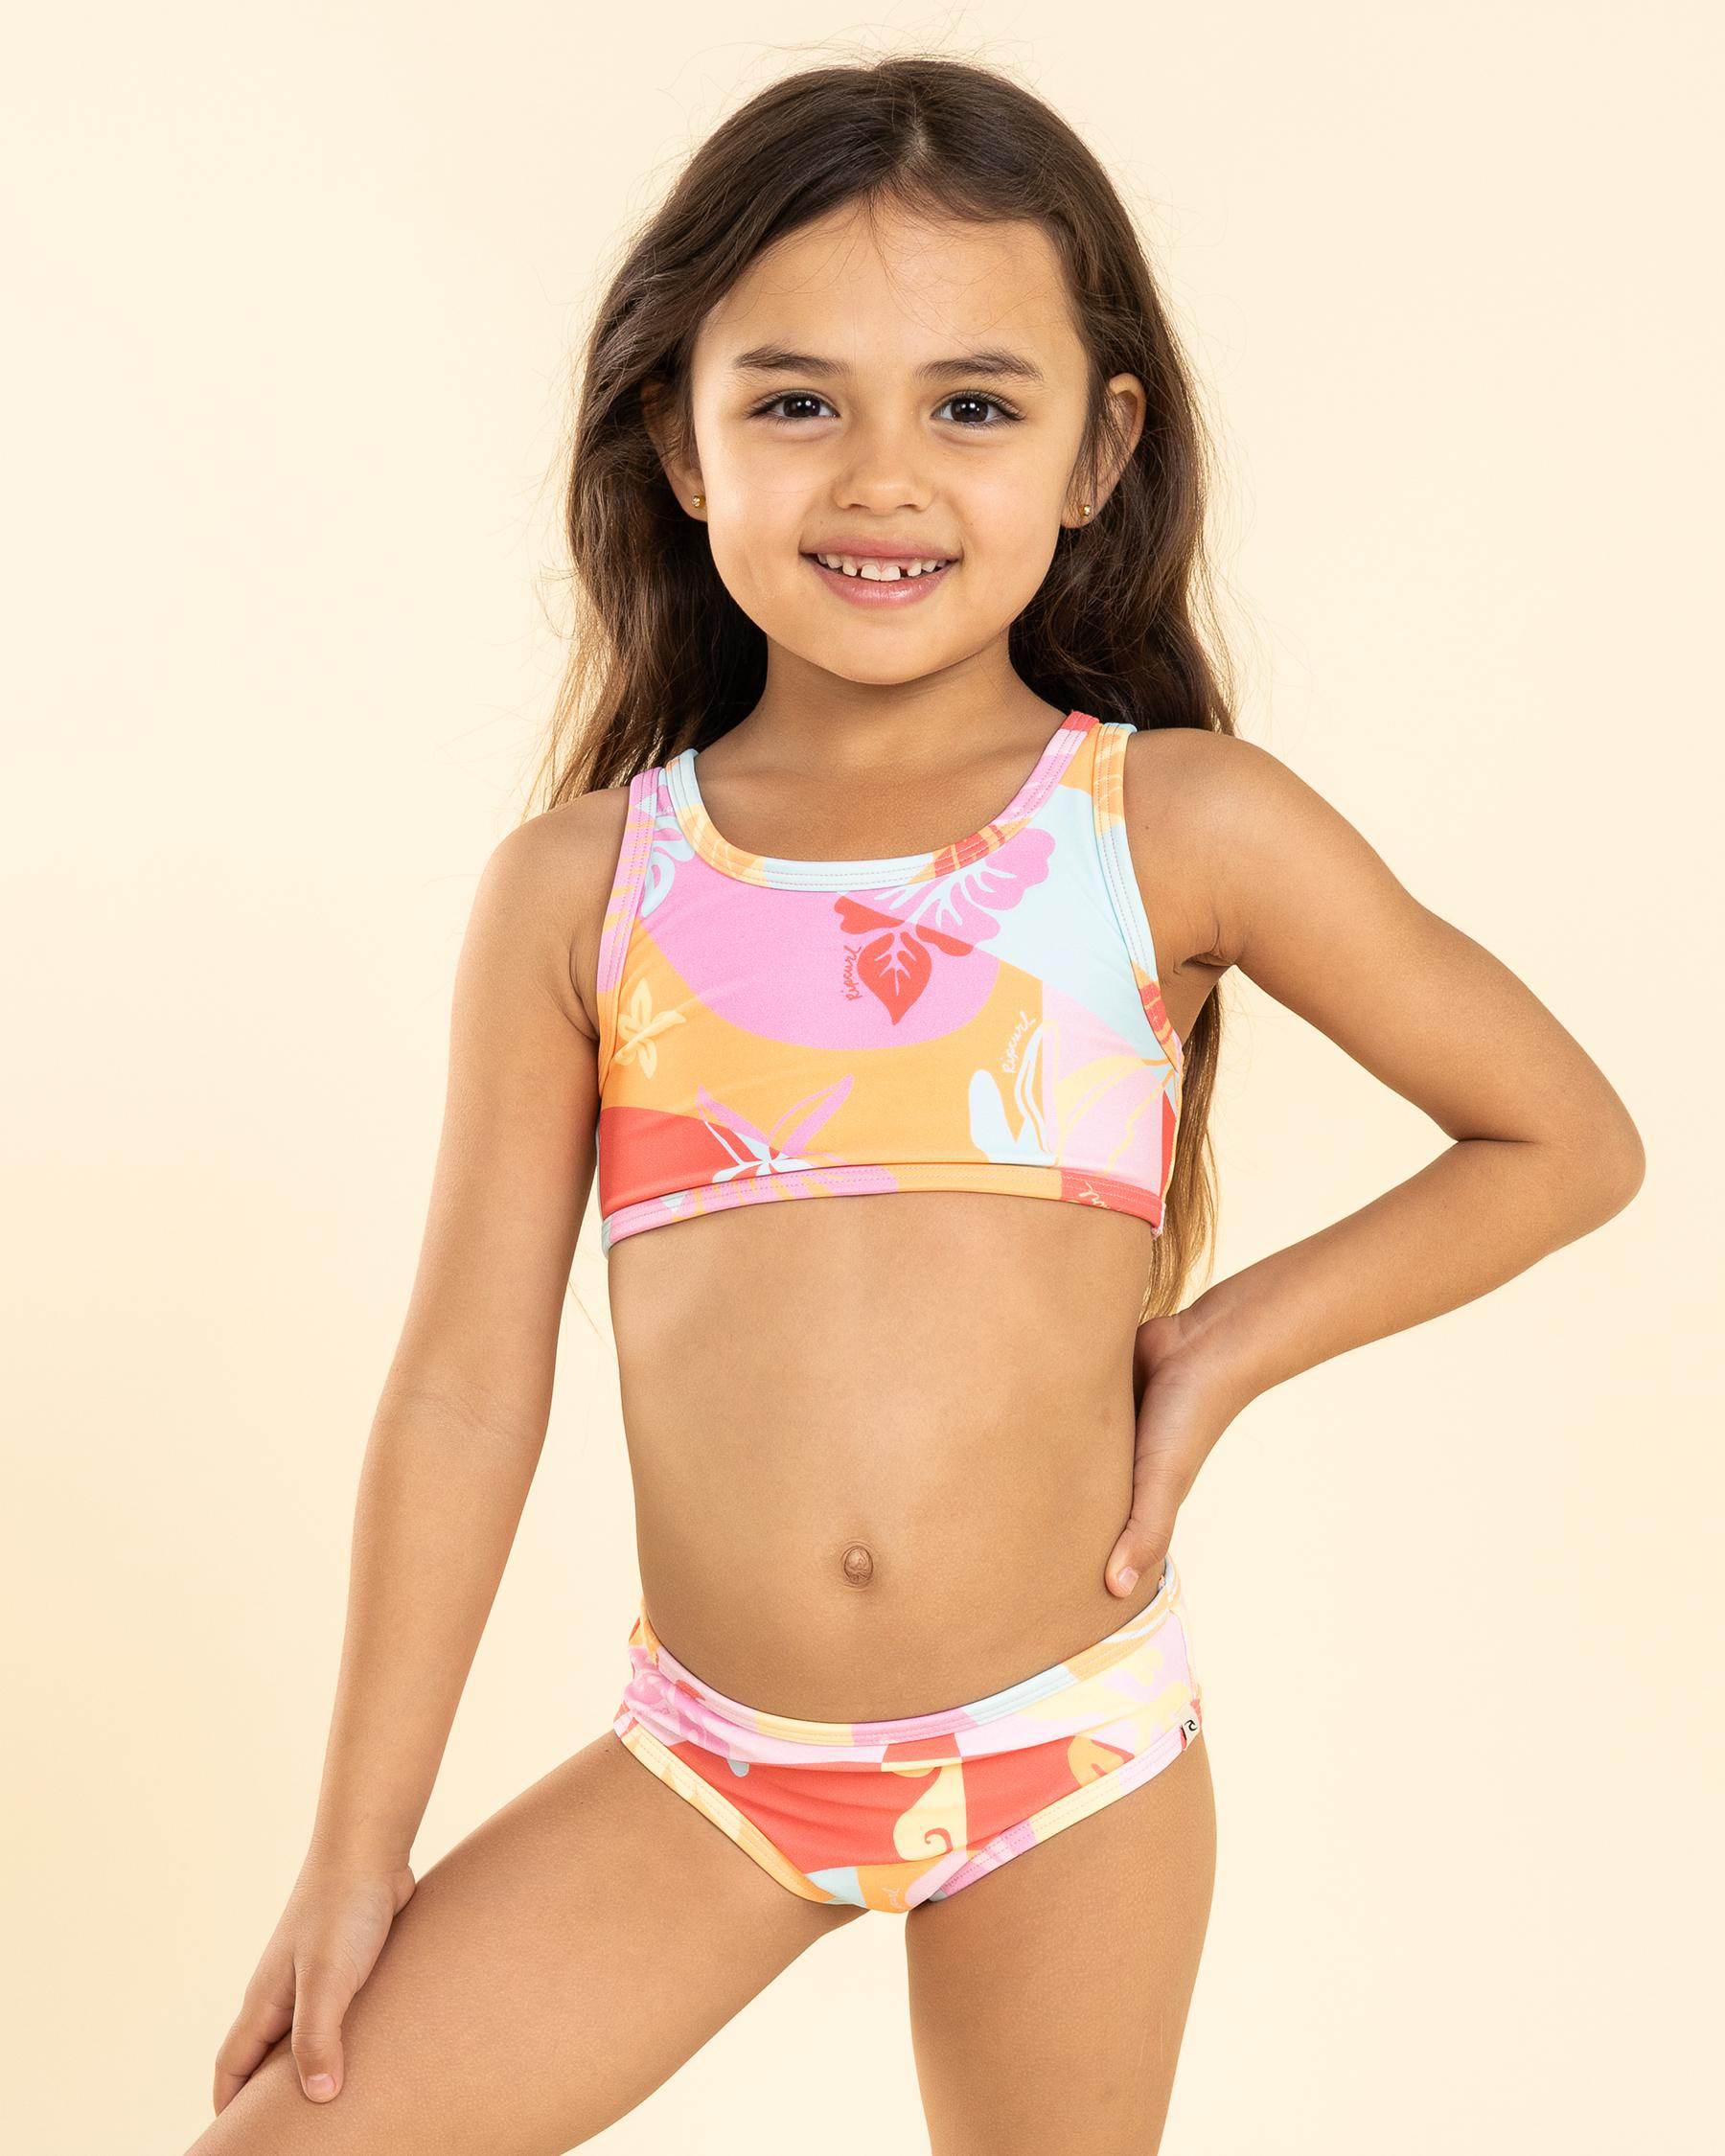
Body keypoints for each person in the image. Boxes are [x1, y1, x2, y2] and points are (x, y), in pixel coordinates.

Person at [184, 53, 1644, 2156]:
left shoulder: (1174, 827)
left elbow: (1564, 1137)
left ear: (1097, 449)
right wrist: (355, 1851)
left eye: (973, 405)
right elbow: (462, 1391)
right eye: (797, 400)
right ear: (678, 438)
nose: (884, 478)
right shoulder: (587, 889)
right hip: (709, 1765)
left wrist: (1218, 1347)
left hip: (1072, 1758)